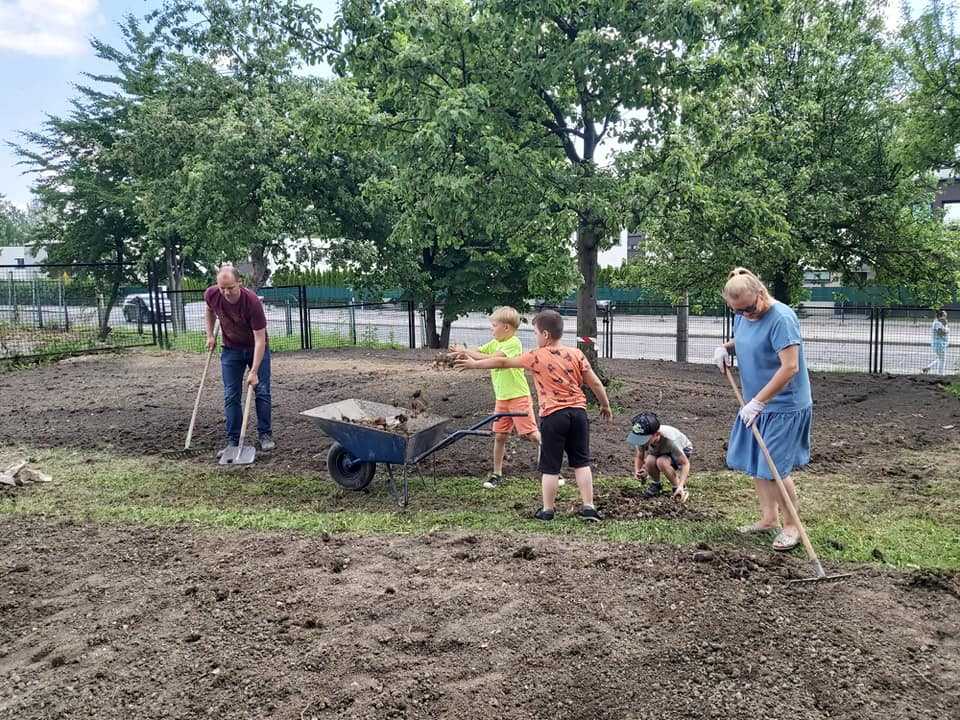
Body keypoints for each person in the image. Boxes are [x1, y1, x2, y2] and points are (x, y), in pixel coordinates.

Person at [456, 309, 612, 521]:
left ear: (546, 335)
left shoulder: (536, 356)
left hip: (553, 415)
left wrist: (475, 365)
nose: (535, 337)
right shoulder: (577, 354)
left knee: (550, 466)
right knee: (581, 463)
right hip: (578, 414)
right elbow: (594, 382)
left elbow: (502, 363)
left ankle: (548, 510)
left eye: (536, 333)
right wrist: (605, 405)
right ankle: (589, 507)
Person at [713, 267, 812, 551]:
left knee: (774, 467)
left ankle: (792, 526)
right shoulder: (744, 315)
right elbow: (747, 338)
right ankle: (769, 519)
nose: (746, 315)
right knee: (759, 464)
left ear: (760, 292)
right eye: (738, 311)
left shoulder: (781, 318)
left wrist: (759, 402)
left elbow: (790, 366)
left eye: (748, 308)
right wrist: (725, 348)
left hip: (784, 405)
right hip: (755, 403)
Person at [451, 307, 541, 489]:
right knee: (500, 436)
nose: (491, 329)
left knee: (530, 434)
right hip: (502, 398)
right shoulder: (495, 342)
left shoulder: (513, 343)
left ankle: (552, 463)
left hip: (518, 397)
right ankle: (497, 473)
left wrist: (473, 362)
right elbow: (480, 351)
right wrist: (463, 351)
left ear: (506, 327)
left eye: (494, 325)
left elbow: (496, 360)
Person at [204, 264, 274, 455]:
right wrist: (210, 335)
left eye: (230, 288)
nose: (226, 292)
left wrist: (253, 372)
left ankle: (265, 435)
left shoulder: (251, 302)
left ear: (239, 283)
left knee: (262, 391)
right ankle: (233, 441)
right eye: (222, 288)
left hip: (255, 348)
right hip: (230, 349)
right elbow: (209, 310)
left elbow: (260, 340)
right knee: (231, 395)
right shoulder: (212, 294)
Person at [626, 412, 692, 503]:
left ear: (657, 434)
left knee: (662, 462)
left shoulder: (670, 440)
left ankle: (678, 488)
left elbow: (685, 463)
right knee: (649, 460)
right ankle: (656, 485)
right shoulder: (642, 437)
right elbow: (640, 456)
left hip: (682, 449)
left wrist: (681, 484)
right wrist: (638, 470)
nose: (641, 442)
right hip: (660, 449)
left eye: (644, 439)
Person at [922, 310, 950, 375]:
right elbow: (941, 333)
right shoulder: (937, 323)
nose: (945, 318)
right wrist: (946, 328)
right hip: (939, 344)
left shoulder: (939, 322)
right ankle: (940, 374)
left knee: (940, 358)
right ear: (940, 316)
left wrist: (945, 326)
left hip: (940, 343)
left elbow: (943, 332)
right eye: (944, 316)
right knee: (942, 359)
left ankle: (928, 367)